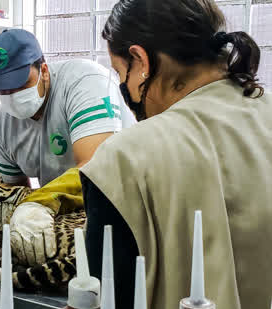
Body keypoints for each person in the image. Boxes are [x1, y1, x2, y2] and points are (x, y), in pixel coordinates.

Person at [80, 0, 272, 308]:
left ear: (140, 61)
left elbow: (111, 297)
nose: (122, 86)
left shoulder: (122, 160)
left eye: (119, 72)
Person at [0, 29, 136, 187]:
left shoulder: (85, 83)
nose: (12, 94)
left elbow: (95, 170)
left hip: (123, 200)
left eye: (20, 83)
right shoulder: (2, 125)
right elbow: (13, 192)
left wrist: (41, 200)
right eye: (3, 88)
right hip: (65, 205)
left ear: (44, 71)